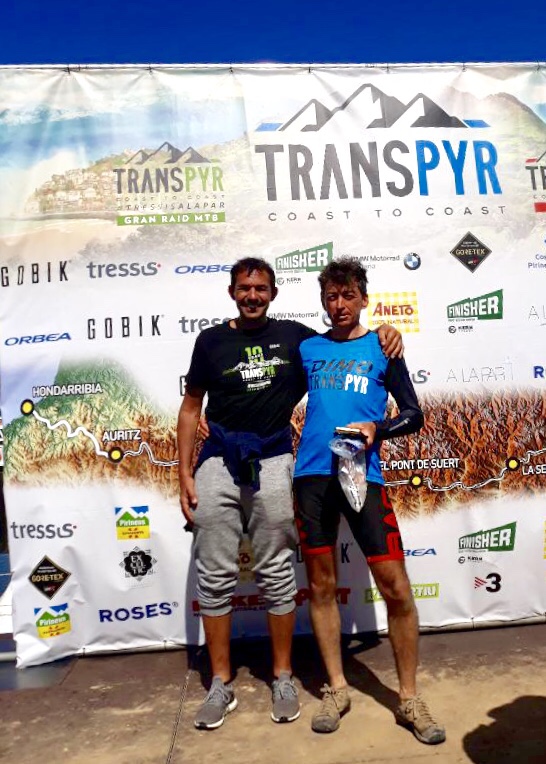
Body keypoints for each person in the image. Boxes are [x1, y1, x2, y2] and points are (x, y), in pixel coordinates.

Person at [177, 256, 402, 730]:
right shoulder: (210, 341)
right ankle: (220, 682)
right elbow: (190, 408)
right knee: (214, 574)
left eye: (260, 288)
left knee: (278, 571)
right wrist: (184, 475)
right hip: (218, 461)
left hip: (277, 460)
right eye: (244, 288)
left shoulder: (297, 338)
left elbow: (344, 346)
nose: (252, 296)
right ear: (232, 292)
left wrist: (387, 332)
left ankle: (282, 676)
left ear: (273, 294)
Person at [293, 257, 446, 745]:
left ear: (363, 298)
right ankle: (337, 689)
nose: (339, 304)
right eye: (331, 297)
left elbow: (415, 414)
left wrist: (378, 427)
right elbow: (268, 396)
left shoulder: (383, 345)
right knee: (321, 586)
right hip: (311, 478)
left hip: (363, 474)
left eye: (347, 295)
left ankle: (409, 697)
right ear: (323, 301)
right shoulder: (307, 348)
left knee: (396, 587)